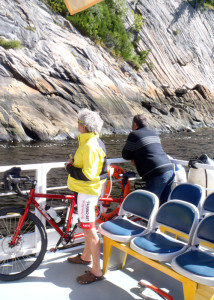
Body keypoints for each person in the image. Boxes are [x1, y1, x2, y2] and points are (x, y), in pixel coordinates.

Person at [65, 108, 107, 284]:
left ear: (83, 126)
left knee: (89, 229)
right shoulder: (90, 142)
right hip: (85, 192)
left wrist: (69, 168)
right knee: (87, 227)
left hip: (87, 193)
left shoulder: (89, 145)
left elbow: (89, 174)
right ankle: (85, 256)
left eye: (78, 123)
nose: (77, 125)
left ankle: (96, 271)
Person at [122, 114, 174, 205]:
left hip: (157, 173)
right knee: (163, 204)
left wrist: (134, 156)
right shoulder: (154, 134)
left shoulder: (134, 134)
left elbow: (125, 155)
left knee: (149, 204)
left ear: (135, 125)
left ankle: (147, 219)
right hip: (169, 169)